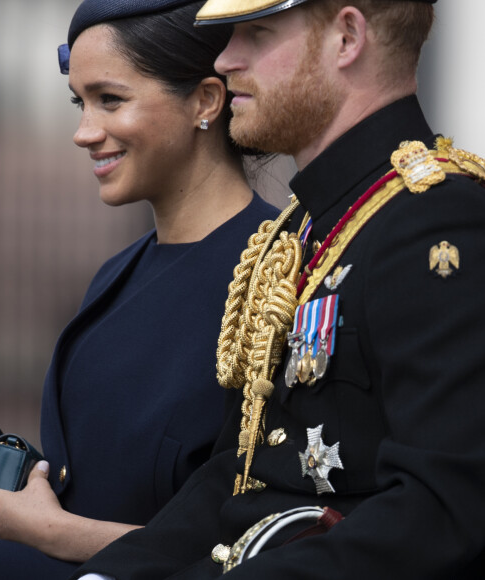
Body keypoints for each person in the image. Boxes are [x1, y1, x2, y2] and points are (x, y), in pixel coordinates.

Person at [70, 0, 485, 578]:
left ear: (346, 38)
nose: (225, 59)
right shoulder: (301, 229)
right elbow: (237, 475)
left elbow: (440, 509)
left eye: (255, 33)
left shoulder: (439, 223)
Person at [0, 1, 280, 578]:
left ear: (206, 101)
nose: (84, 132)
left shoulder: (276, 276)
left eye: (111, 100)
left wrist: (54, 531)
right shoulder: (119, 273)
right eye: (79, 103)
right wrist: (13, 510)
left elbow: (259, 537)